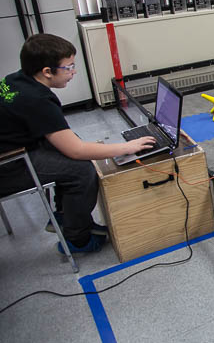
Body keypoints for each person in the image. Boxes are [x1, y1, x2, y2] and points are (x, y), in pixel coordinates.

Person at [0, 34, 156, 253]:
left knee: (69, 148)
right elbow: (76, 151)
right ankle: (78, 239)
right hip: (9, 166)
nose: (73, 72)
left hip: (14, 149)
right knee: (81, 170)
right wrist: (128, 147)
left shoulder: (16, 79)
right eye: (68, 67)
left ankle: (64, 216)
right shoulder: (38, 100)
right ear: (47, 72)